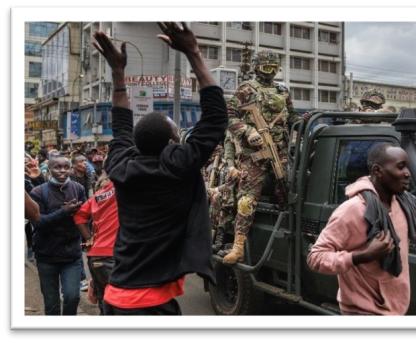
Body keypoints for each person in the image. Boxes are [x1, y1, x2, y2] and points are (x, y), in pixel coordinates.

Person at [96, 23, 227, 315]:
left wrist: (118, 74)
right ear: (172, 142)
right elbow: (216, 118)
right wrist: (193, 52)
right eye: (177, 133)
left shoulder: (121, 167)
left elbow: (120, 126)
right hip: (149, 307)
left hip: (115, 295)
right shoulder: (177, 168)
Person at [306, 143, 416, 315]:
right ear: (377, 171)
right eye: (400, 167)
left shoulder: (404, 205)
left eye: (408, 167)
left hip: (395, 311)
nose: (407, 173)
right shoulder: (353, 210)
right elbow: (315, 257)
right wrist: (361, 256)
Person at [222, 49, 301, 264]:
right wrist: (248, 131)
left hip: (280, 151)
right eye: (266, 68)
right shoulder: (245, 90)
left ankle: (290, 240)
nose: (270, 72)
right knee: (248, 199)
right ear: (257, 67)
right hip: (254, 153)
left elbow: (292, 117)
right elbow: (228, 116)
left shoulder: (282, 91)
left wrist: (304, 120)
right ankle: (238, 245)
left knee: (287, 191)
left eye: (274, 68)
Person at [28, 156, 87, 315]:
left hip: (71, 256)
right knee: (51, 303)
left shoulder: (78, 188)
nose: (62, 171)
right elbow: (38, 223)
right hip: (47, 256)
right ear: (49, 170)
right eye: (57, 167)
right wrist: (64, 212)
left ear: (70, 168)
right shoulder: (38, 192)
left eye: (66, 167)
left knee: (72, 297)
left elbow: (84, 217)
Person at [73, 175, 120, 314]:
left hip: (97, 256)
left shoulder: (97, 196)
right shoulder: (120, 187)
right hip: (112, 254)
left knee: (105, 301)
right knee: (119, 303)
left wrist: (89, 240)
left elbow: (79, 216)